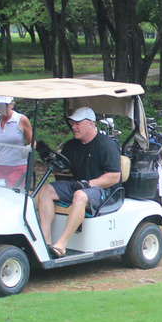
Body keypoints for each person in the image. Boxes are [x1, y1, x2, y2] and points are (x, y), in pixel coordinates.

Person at [36, 107, 122, 257]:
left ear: (91, 123)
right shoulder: (71, 145)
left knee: (80, 196)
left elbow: (114, 177)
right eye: (72, 123)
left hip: (105, 191)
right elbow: (63, 170)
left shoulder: (106, 145)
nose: (74, 127)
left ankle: (61, 244)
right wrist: (47, 158)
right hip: (79, 185)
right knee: (45, 190)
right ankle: (45, 242)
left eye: (78, 123)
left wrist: (89, 184)